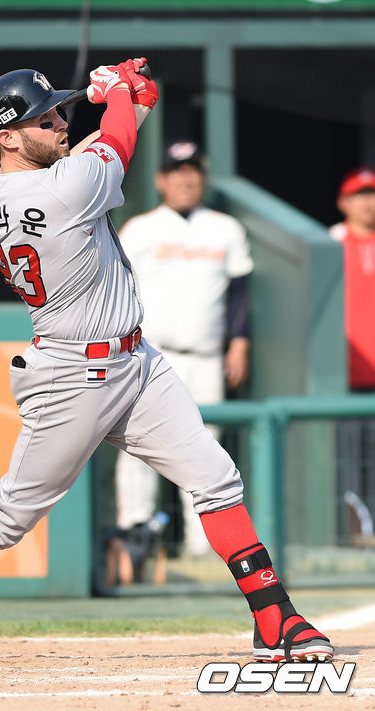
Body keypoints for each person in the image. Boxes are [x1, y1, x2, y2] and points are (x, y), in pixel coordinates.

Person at [0, 58, 333, 668]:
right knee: (10, 517)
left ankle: (275, 617)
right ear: (8, 138)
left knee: (216, 478)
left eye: (60, 113)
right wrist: (115, 93)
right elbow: (108, 146)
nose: (61, 122)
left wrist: (134, 99)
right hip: (70, 375)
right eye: (46, 119)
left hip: (136, 362)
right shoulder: (63, 188)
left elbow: (100, 147)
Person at [115, 142, 252, 558]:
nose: (185, 179)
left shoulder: (225, 228)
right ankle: (134, 542)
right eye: (176, 171)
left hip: (206, 357)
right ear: (161, 180)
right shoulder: (140, 228)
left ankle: (203, 549)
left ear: (203, 178)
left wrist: (239, 343)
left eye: (192, 170)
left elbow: (239, 292)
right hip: (152, 354)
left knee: (208, 452)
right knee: (139, 447)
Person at [329, 167, 375, 531]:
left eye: (372, 194)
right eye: (360, 195)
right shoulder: (329, 242)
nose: (368, 203)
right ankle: (353, 532)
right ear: (343, 202)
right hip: (344, 375)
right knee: (347, 461)